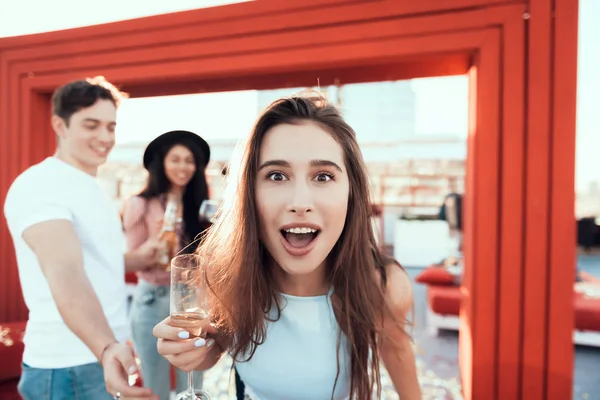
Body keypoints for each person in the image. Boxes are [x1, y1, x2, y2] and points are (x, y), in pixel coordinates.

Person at [153, 93, 421, 399]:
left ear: (351, 192)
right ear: (248, 194)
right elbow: (218, 346)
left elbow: (404, 371)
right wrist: (193, 351)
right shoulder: (226, 274)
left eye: (323, 176)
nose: (300, 203)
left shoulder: (383, 286)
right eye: (276, 175)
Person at [3, 77, 160, 400]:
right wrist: (106, 348)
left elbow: (94, 262)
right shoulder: (41, 184)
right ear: (59, 125)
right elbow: (65, 271)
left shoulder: (91, 187)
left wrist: (139, 258)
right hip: (69, 365)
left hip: (103, 354)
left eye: (111, 127)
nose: (105, 137)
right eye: (92, 125)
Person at [122, 130, 211, 400]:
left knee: (192, 377)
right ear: (161, 163)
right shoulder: (140, 204)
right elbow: (131, 261)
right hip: (152, 297)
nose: (183, 167)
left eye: (189, 160)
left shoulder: (202, 207)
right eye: (175, 159)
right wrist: (154, 246)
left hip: (192, 300)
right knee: (154, 380)